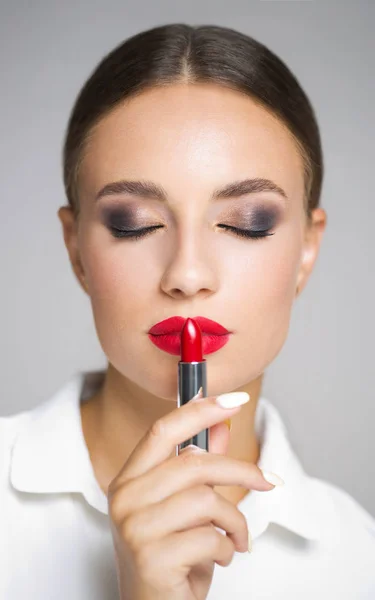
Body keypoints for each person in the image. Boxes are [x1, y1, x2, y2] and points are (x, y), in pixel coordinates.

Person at [1, 23, 374, 600]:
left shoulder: (358, 561)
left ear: (307, 249)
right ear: (76, 249)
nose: (188, 274)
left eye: (246, 223)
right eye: (135, 224)